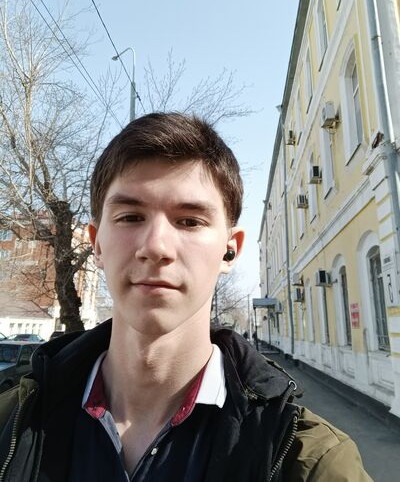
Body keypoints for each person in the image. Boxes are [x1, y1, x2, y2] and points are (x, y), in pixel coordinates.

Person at [0, 113, 372, 481]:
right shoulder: (12, 420)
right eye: (130, 217)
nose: (156, 247)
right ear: (96, 244)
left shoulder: (307, 457)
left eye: (190, 221)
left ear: (229, 250)